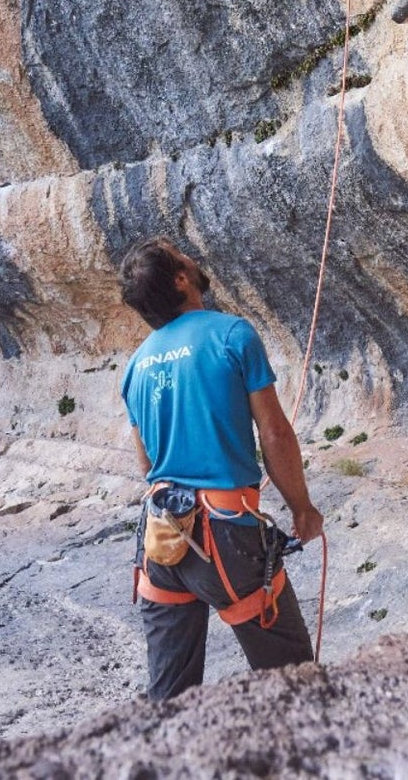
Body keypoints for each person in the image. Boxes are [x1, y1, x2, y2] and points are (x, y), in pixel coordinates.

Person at [119, 236, 323, 701]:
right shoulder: (232, 335)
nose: (191, 256)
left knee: (169, 698)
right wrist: (303, 509)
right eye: (181, 254)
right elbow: (274, 435)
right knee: (294, 683)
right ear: (181, 278)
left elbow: (147, 464)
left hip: (161, 539)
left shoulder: (135, 367)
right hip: (227, 535)